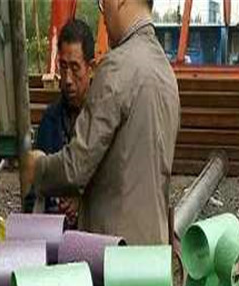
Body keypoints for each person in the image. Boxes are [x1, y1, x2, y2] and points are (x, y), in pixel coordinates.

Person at [25, 0, 180, 247]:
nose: (103, 14)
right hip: (154, 251)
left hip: (116, 254)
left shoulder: (118, 67)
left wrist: (37, 168)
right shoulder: (165, 73)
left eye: (102, 3)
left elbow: (76, 167)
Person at [24, 17, 94, 222]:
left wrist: (83, 201)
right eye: (63, 67)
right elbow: (33, 188)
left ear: (90, 67)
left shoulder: (103, 120)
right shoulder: (50, 120)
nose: (68, 79)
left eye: (75, 67)